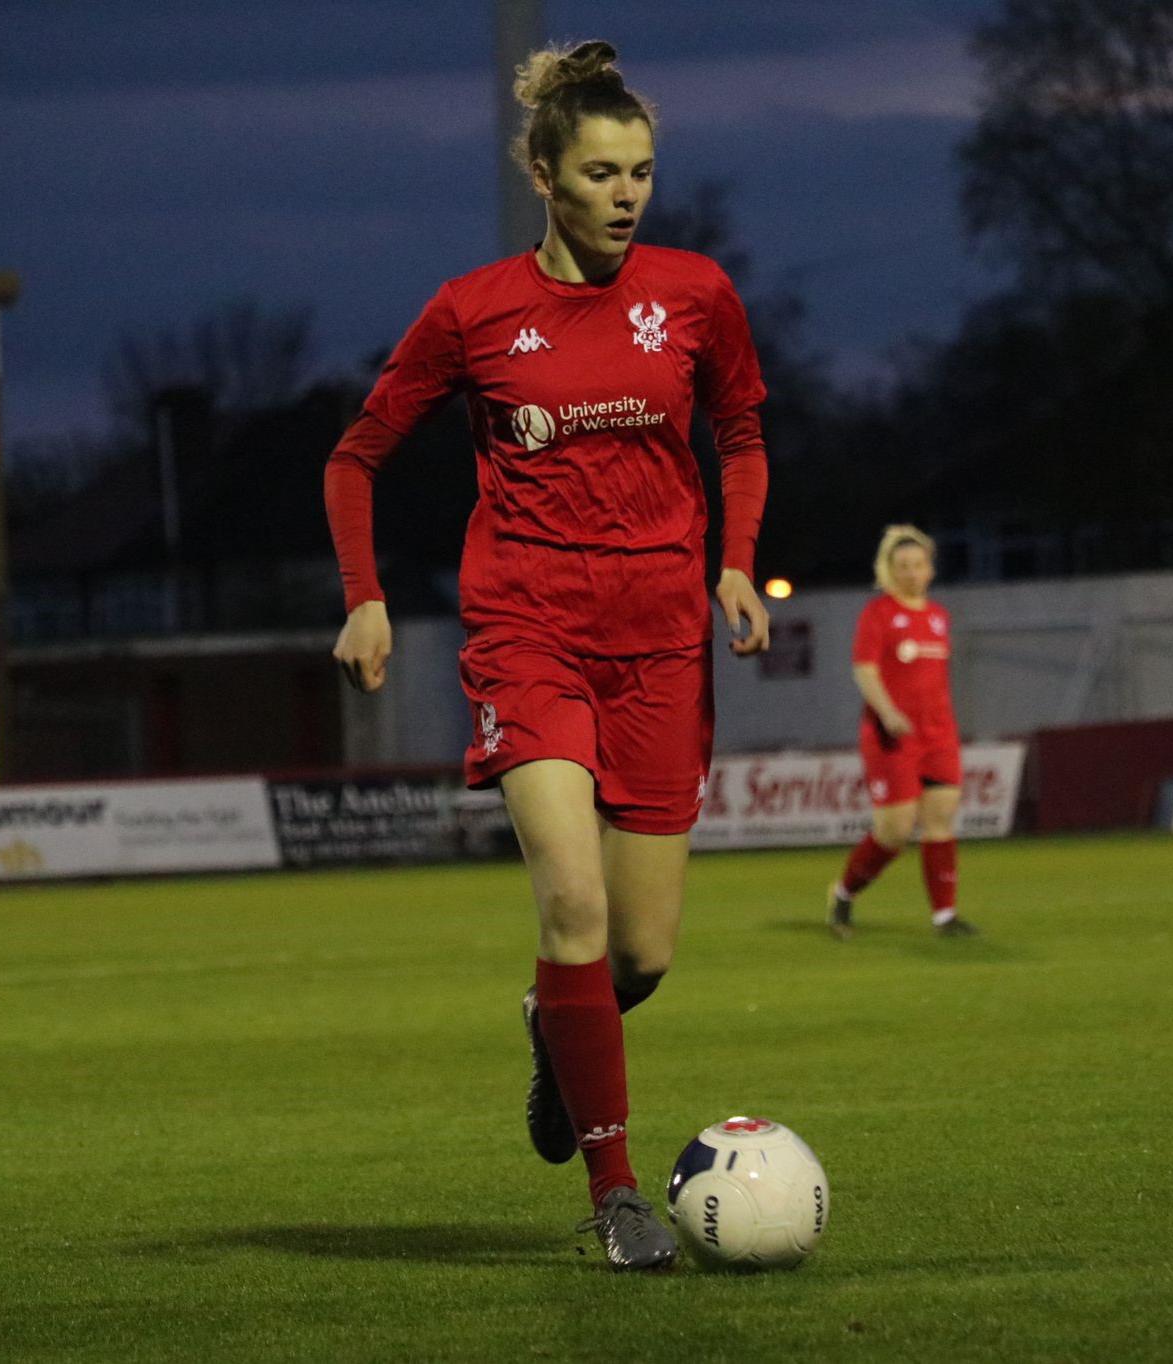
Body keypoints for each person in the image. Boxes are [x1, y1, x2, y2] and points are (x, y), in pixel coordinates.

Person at [323, 42, 772, 1269]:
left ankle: (553, 1031)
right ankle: (617, 1193)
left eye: (639, 171)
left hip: (662, 645)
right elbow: (353, 457)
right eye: (600, 172)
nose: (627, 194)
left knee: (639, 954)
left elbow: (737, 430)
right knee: (568, 902)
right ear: (541, 173)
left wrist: (736, 561)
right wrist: (365, 598)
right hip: (527, 637)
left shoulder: (692, 294)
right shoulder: (473, 311)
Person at [826, 526, 978, 940]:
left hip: (939, 735)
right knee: (894, 831)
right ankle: (843, 893)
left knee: (941, 820)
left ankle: (945, 916)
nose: (911, 572)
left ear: (929, 569)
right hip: (891, 734)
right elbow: (865, 669)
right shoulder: (878, 613)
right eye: (903, 566)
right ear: (890, 570)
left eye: (918, 565)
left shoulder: (938, 617)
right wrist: (888, 711)